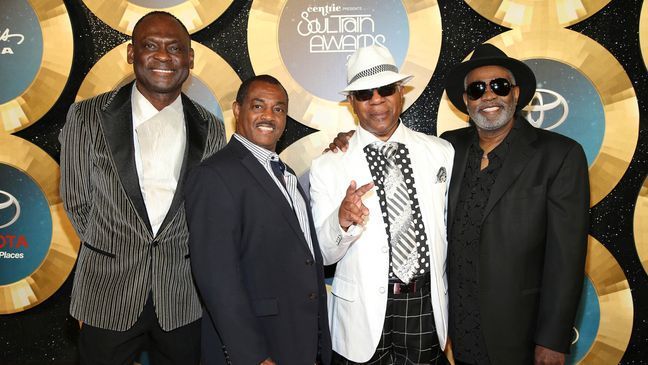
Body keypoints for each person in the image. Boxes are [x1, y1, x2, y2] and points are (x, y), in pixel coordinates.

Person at [59, 11, 225, 364]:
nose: (163, 56)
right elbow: (76, 201)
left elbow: (209, 213)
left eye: (175, 48)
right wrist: (114, 248)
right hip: (107, 292)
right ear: (132, 54)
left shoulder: (210, 127)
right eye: (150, 45)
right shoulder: (86, 116)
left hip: (181, 297)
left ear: (190, 58)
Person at [440, 43, 589, 365]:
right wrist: (346, 143)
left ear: (516, 94)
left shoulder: (559, 155)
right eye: (477, 89)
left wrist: (553, 339)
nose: (489, 96)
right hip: (457, 329)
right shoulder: (447, 148)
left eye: (500, 86)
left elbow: (567, 258)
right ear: (466, 101)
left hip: (521, 333)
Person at [309, 44, 454, 364]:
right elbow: (323, 252)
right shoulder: (329, 166)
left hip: (425, 309)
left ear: (401, 92)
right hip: (358, 316)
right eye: (363, 93)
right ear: (351, 103)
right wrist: (342, 220)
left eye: (386, 89)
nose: (376, 100)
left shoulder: (442, 153)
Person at [184, 75, 332, 365]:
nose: (269, 115)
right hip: (260, 348)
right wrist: (252, 356)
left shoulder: (285, 173)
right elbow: (217, 279)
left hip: (299, 340)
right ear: (238, 110)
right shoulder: (214, 175)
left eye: (278, 109)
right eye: (258, 105)